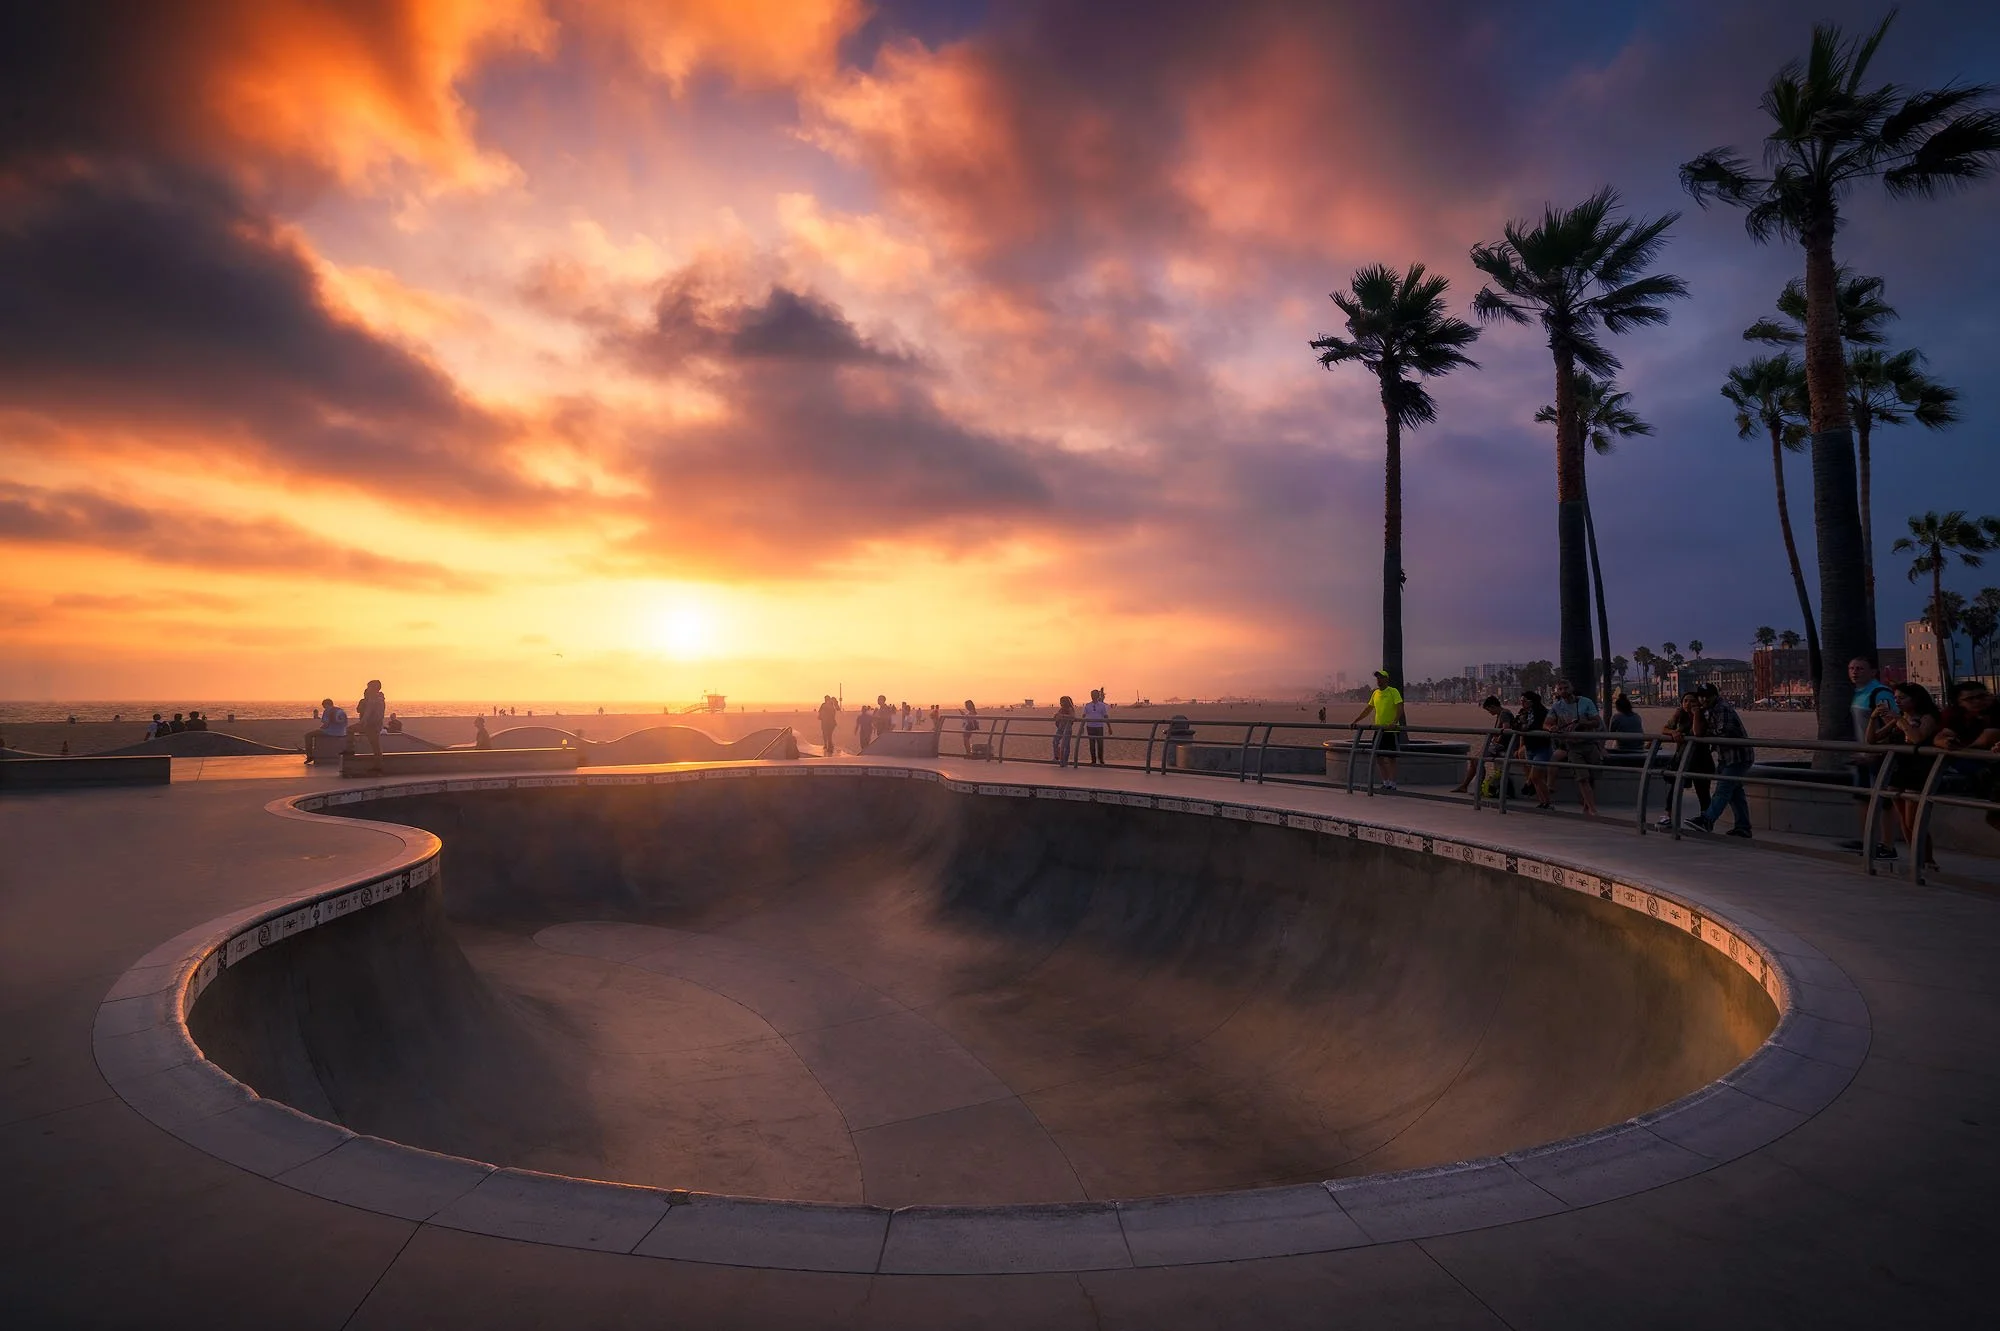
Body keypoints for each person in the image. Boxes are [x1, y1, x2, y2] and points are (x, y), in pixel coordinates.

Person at [1867, 681, 1942, 867]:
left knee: (1914, 820)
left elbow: (1917, 737)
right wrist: (1872, 719)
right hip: (1899, 770)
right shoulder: (1898, 718)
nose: (1897, 701)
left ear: (1915, 699)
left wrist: (1900, 720)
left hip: (1919, 771)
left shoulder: (1927, 717)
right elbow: (1872, 740)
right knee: (1904, 819)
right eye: (1895, 698)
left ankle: (1927, 859)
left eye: (1902, 698)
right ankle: (1916, 859)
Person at [1839, 657, 1901, 860]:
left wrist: (1876, 752)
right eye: (1851, 668)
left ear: (1873, 672)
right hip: (1863, 757)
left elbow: (1893, 724)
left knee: (1884, 802)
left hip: (1879, 757)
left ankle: (1888, 845)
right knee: (1863, 798)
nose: (1855, 672)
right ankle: (1868, 840)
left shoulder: (1879, 693)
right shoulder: (1858, 694)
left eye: (1860, 668)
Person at [1688, 684, 1755, 838]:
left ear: (1715, 696)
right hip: (1728, 757)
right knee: (1735, 793)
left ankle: (1707, 820)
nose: (1704, 699)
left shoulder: (1721, 708)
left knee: (1723, 789)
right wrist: (1698, 713)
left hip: (1737, 757)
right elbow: (1698, 732)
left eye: (1707, 696)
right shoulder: (1708, 710)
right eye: (1701, 696)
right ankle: (1743, 827)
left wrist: (1707, 735)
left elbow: (1723, 732)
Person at [1656, 694, 1714, 830]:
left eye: (1692, 701)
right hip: (1682, 758)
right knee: (1674, 789)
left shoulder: (1704, 715)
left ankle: (1706, 820)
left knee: (1703, 792)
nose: (1688, 704)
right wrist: (1673, 732)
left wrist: (1696, 714)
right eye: (1685, 701)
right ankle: (1668, 817)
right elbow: (1664, 728)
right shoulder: (1679, 714)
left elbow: (1697, 732)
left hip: (1701, 759)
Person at [1548, 679, 1601, 816]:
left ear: (1571, 688)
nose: (1564, 691)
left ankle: (1586, 806)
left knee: (1591, 778)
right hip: (1572, 747)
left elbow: (1597, 722)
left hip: (1590, 744)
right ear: (1557, 691)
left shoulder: (1586, 702)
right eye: (1560, 689)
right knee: (1582, 778)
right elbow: (1547, 723)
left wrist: (1582, 723)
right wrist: (1551, 727)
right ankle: (1593, 809)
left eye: (1566, 688)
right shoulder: (1556, 706)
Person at [1348, 669, 1405, 790]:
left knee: (1391, 758)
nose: (1379, 680)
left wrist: (1394, 722)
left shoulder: (1393, 691)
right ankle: (1385, 782)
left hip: (1391, 731)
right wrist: (1356, 721)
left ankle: (1393, 784)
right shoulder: (1375, 693)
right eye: (1377, 678)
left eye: (1381, 678)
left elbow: (1400, 707)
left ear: (1386, 679)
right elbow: (1368, 709)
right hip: (1378, 730)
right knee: (1378, 757)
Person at [1455, 695, 1515, 795]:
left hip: (1501, 746)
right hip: (1498, 744)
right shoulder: (1502, 713)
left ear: (1493, 706)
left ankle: (1478, 788)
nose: (1489, 712)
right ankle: (1465, 786)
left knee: (1477, 760)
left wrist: (1498, 739)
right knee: (1475, 760)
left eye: (1489, 710)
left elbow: (1506, 728)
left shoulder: (1504, 713)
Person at [1513, 690, 1554, 807]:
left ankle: (1548, 802)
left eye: (1524, 701)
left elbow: (1536, 726)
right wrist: (1522, 725)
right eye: (1521, 701)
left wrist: (1524, 726)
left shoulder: (1541, 712)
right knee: (1536, 779)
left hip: (1542, 747)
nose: (1522, 703)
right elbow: (1515, 725)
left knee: (1536, 776)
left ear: (1531, 702)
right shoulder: (1523, 712)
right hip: (1530, 747)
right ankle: (1543, 802)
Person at [354, 679, 387, 774]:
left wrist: (363, 722)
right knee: (375, 746)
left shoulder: (375, 700)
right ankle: (378, 766)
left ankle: (378, 766)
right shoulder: (377, 699)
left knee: (376, 746)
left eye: (369, 687)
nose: (367, 689)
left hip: (372, 725)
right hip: (373, 724)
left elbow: (370, 714)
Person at [304, 697, 348, 764]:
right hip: (342, 732)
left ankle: (309, 756)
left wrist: (320, 729)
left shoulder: (328, 710)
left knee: (308, 735)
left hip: (331, 732)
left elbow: (326, 725)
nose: (324, 708)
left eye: (324, 706)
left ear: (326, 704)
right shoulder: (341, 710)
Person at [1081, 689, 1111, 766]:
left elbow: (1105, 716)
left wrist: (1109, 727)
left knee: (1100, 744)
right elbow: (1084, 716)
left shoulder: (1102, 705)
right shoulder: (1087, 705)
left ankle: (1101, 759)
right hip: (1090, 727)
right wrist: (1082, 727)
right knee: (1092, 744)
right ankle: (1093, 760)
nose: (1093, 696)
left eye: (1094, 694)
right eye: (1092, 695)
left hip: (1099, 727)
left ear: (1098, 696)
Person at [1052, 696, 1076, 766]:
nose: (1060, 703)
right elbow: (1058, 716)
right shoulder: (1061, 709)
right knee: (1055, 741)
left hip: (1067, 728)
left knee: (1066, 745)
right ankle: (1057, 756)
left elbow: (1072, 717)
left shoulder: (1070, 709)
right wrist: (1056, 716)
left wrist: (1062, 716)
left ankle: (1065, 760)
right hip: (1060, 728)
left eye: (1062, 701)